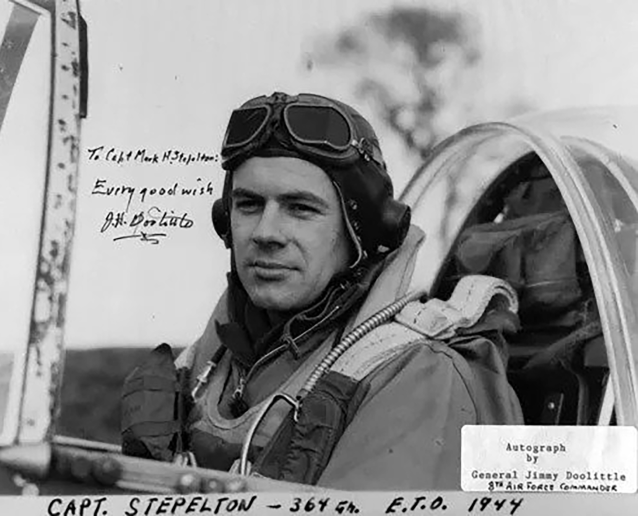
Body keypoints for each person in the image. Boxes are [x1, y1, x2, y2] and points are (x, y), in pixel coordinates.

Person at [123, 91, 523, 490]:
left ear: (362, 231)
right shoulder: (214, 358)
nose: (265, 233)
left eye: (300, 209)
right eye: (248, 205)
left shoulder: (418, 375)